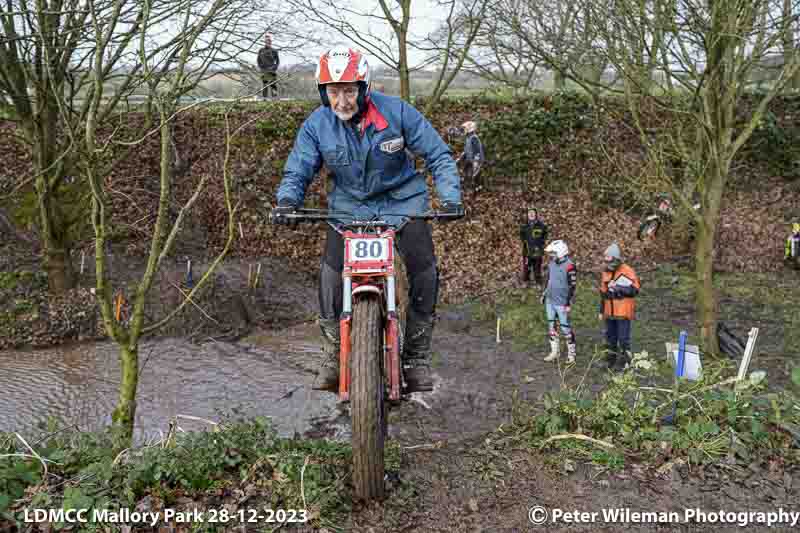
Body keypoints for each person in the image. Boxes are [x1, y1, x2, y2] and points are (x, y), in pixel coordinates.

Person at [271, 47, 464, 393]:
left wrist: (449, 198)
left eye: (348, 91)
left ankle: (416, 357)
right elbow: (298, 169)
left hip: (403, 202)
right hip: (347, 208)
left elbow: (438, 155)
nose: (341, 101)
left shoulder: (398, 113)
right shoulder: (317, 125)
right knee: (330, 276)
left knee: (425, 270)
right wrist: (287, 200)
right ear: (322, 92)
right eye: (333, 92)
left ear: (364, 88)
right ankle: (333, 353)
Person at [598, 242, 641, 371]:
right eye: (605, 260)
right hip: (609, 311)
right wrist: (601, 310)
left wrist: (617, 288)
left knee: (623, 339)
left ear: (615, 258)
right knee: (610, 337)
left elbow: (635, 290)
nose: (606, 263)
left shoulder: (627, 270)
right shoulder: (606, 271)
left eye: (609, 259)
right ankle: (610, 361)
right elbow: (603, 292)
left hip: (623, 311)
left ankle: (625, 362)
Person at [541, 239, 577, 364]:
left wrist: (568, 303)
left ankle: (571, 354)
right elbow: (548, 280)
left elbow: (572, 286)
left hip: (561, 302)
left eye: (553, 253)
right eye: (551, 253)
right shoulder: (551, 264)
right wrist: (544, 293)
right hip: (550, 300)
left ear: (561, 253)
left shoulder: (570, 266)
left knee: (565, 327)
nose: (551, 256)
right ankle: (554, 352)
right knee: (551, 326)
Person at [519, 207, 548, 286]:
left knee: (537, 268)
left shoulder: (541, 225)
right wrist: (525, 241)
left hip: (538, 251)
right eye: (529, 213)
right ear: (527, 215)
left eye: (533, 213)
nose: (531, 214)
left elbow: (545, 234)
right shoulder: (524, 226)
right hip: (527, 251)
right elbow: (521, 235)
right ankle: (526, 281)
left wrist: (541, 242)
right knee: (526, 268)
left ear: (536, 214)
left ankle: (538, 282)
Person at [460, 121, 485, 192]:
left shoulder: (474, 138)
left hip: (476, 160)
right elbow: (466, 149)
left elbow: (477, 150)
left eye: (464, 129)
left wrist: (476, 161)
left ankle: (478, 187)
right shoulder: (468, 138)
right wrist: (462, 156)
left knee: (476, 174)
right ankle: (465, 184)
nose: (463, 130)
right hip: (469, 159)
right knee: (465, 170)